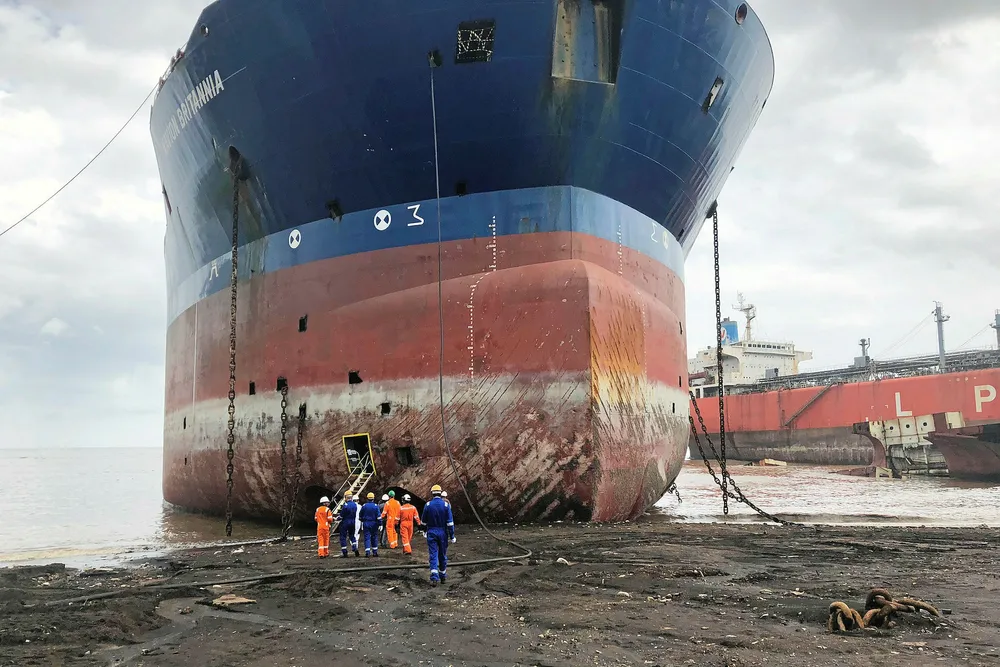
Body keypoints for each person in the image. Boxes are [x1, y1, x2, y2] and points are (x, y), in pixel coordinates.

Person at [420, 484, 454, 584]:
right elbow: (450, 523)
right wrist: (452, 536)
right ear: (440, 493)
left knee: (433, 554)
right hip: (442, 532)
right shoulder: (446, 505)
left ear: (432, 493)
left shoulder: (428, 505)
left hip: (431, 532)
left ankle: (434, 577)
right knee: (442, 554)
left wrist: (424, 531)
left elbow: (423, 521)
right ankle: (442, 576)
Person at [339, 491, 360, 557]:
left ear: (345, 497)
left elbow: (341, 516)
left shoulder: (345, 505)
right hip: (353, 522)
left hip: (345, 522)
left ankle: (345, 552)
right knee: (352, 536)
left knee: (343, 537)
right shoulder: (355, 505)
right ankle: (354, 547)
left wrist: (336, 518)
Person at [359, 492, 381, 557]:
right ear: (373, 499)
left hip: (366, 523)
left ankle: (367, 552)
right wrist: (380, 524)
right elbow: (379, 516)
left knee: (367, 537)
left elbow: (360, 515)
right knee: (374, 537)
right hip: (374, 523)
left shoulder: (364, 506)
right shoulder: (376, 506)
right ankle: (375, 552)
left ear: (367, 498)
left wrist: (362, 521)